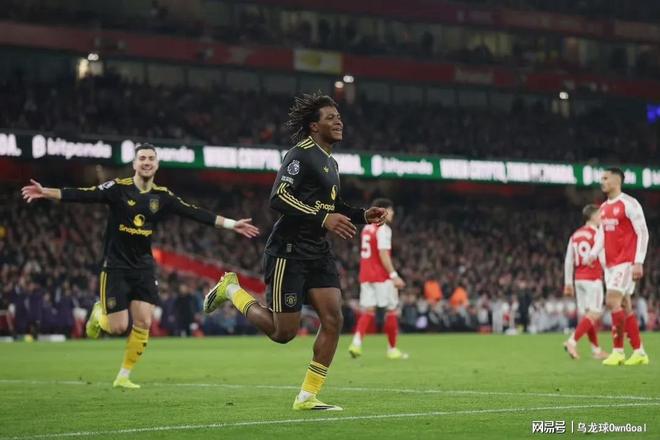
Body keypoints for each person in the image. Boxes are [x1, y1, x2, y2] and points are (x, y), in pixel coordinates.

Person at [203, 92, 387, 410]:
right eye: (330, 118)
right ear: (314, 126)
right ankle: (231, 290)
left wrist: (361, 215)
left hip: (318, 251)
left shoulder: (330, 161)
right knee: (283, 333)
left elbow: (332, 205)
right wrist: (322, 217)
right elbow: (279, 196)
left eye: (339, 116)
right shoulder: (300, 154)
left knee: (333, 319)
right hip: (289, 250)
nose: (339, 121)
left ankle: (307, 396)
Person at [21, 143, 259, 388]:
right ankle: (99, 314)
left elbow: (194, 212)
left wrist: (232, 224)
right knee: (118, 327)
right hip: (115, 265)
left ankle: (123, 376)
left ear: (156, 165)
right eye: (142, 158)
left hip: (143, 266)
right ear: (134, 164)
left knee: (144, 321)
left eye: (151, 158)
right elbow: (84, 194)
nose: (146, 162)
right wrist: (45, 192)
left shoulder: (162, 196)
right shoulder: (118, 188)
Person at [586, 168, 650, 366]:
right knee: (624, 305)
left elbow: (643, 233)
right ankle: (639, 352)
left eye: (605, 178)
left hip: (626, 262)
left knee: (611, 300)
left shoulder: (629, 204)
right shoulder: (604, 207)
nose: (602, 182)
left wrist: (638, 261)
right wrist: (593, 253)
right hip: (611, 264)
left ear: (616, 181)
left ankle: (618, 351)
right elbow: (602, 234)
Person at [349, 198, 408, 360]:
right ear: (383, 211)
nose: (393, 213)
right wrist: (394, 275)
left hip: (366, 275)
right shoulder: (383, 229)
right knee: (391, 310)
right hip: (381, 277)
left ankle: (356, 344)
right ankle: (392, 349)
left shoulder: (367, 228)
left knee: (368, 311)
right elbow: (383, 253)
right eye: (391, 210)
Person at [562, 204, 608, 360]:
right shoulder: (597, 234)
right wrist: (610, 277)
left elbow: (569, 260)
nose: (601, 218)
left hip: (579, 280)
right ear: (593, 216)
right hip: (593, 279)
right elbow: (602, 259)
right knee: (594, 313)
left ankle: (596, 350)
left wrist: (568, 283)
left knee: (588, 317)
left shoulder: (575, 235)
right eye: (600, 215)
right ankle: (572, 341)